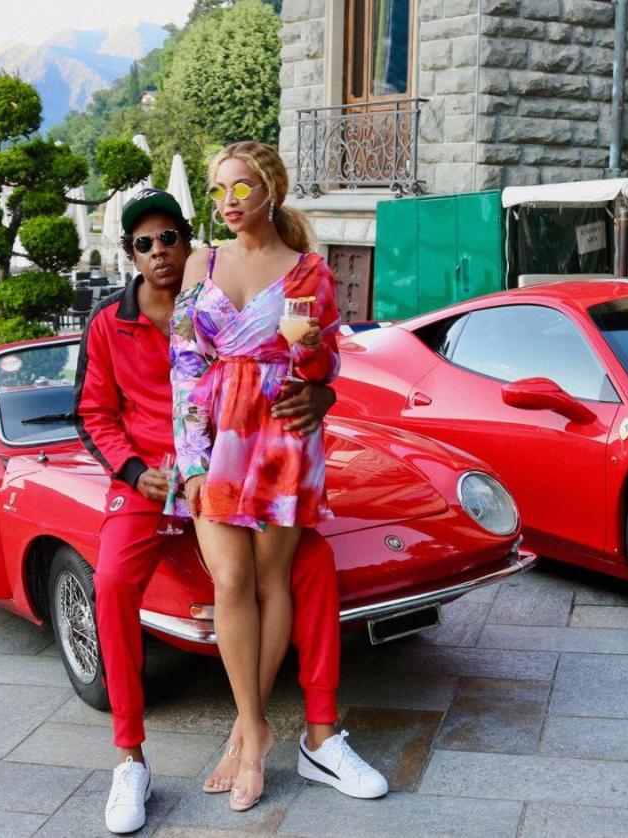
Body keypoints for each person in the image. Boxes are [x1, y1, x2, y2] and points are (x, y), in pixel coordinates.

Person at [74, 187, 383, 833]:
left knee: (314, 565)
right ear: (130, 255)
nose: (158, 251)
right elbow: (95, 415)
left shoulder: (215, 295)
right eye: (143, 244)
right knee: (109, 584)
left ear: (189, 242)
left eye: (168, 238)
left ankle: (317, 736)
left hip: (235, 464)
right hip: (156, 478)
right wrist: (136, 471)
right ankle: (130, 759)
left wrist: (322, 392)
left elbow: (300, 355)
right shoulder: (109, 323)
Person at [170, 142, 387, 812]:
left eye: (241, 188)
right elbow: (183, 362)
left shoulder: (307, 273)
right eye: (217, 191)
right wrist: (191, 459)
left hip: (281, 443)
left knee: (269, 582)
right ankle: (256, 725)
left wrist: (316, 365)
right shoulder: (200, 263)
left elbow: (321, 370)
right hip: (213, 441)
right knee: (229, 580)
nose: (228, 203)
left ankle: (246, 736)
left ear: (272, 191)